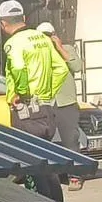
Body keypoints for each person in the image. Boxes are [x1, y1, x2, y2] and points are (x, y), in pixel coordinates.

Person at [0, 0, 69, 202]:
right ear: (23, 18)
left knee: (30, 162)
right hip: (45, 108)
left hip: (25, 110)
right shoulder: (42, 38)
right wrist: (46, 94)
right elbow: (62, 70)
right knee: (47, 162)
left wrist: (21, 93)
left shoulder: (13, 43)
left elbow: (19, 69)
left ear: (3, 24)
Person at [36, 22, 84, 191]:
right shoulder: (39, 53)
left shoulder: (68, 49)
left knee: (70, 139)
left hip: (66, 101)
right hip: (46, 101)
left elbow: (77, 66)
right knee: (46, 139)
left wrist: (60, 47)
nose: (47, 39)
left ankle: (75, 176)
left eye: (49, 35)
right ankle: (51, 175)